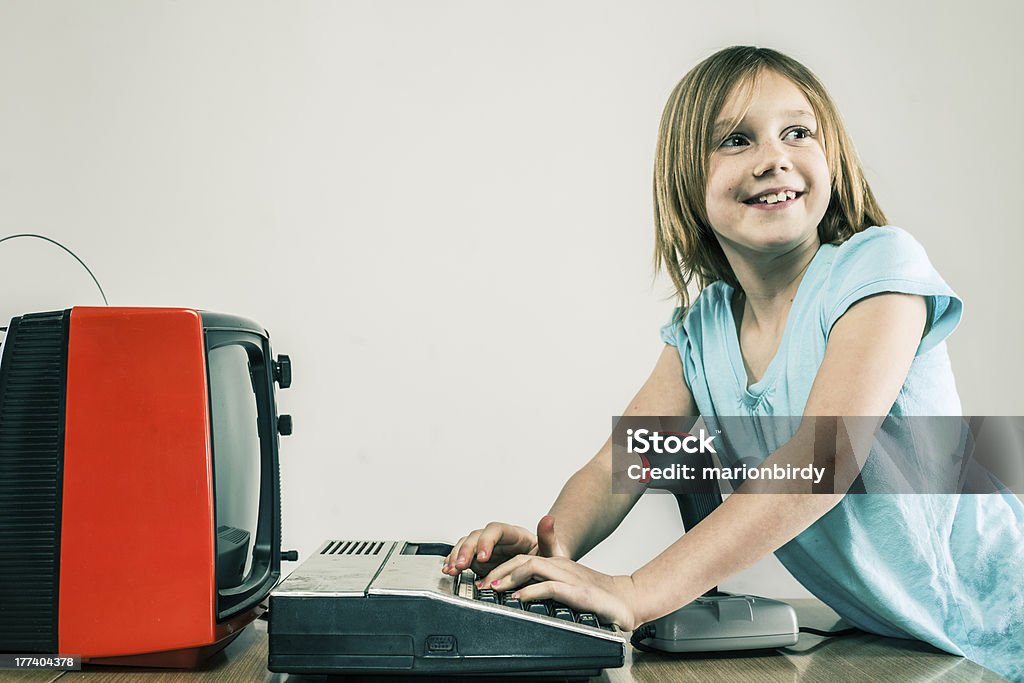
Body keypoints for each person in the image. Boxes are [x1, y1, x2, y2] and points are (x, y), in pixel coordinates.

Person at [442, 46, 1024, 680]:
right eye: (737, 140)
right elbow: (621, 462)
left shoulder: (878, 271)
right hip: (911, 638)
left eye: (797, 132)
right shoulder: (703, 330)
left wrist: (637, 590)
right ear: (685, 180)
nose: (773, 157)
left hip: (1004, 606)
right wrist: (553, 548)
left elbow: (822, 459)